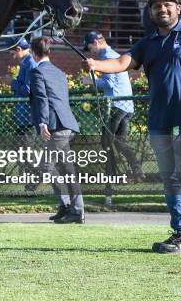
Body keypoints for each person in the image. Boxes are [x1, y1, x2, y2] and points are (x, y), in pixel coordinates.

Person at [86, 0, 181, 253]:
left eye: (168, 4)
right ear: (151, 12)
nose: (163, 9)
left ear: (178, 8)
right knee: (170, 178)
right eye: (157, 6)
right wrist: (97, 65)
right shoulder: (148, 42)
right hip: (159, 121)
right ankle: (179, 232)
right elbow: (122, 62)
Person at [29, 37, 84, 224]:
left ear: (33, 53)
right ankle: (70, 208)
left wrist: (43, 123)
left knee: (47, 167)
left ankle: (71, 208)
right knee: (67, 169)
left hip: (56, 126)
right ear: (48, 52)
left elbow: (42, 99)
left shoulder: (37, 72)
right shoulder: (59, 72)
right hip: (66, 123)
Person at [82, 31, 144, 182]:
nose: (91, 51)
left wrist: (90, 81)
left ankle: (112, 176)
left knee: (106, 141)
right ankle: (137, 171)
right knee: (120, 142)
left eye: (90, 47)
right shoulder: (114, 54)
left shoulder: (107, 57)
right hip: (127, 105)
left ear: (96, 42)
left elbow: (109, 83)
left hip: (115, 105)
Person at [9, 37, 36, 135]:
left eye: (12, 52)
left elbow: (27, 90)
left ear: (19, 49)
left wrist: (11, 82)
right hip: (23, 117)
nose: (12, 55)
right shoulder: (26, 62)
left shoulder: (29, 63)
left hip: (27, 118)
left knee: (26, 148)